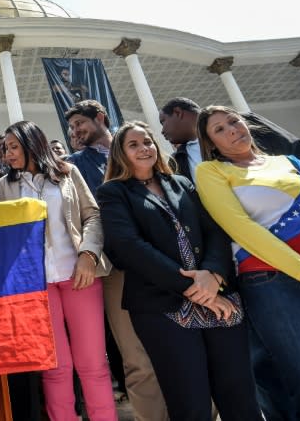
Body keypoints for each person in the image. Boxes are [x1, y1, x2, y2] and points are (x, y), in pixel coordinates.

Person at [97, 121, 261, 420]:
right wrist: (194, 289)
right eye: (133, 145)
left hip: (218, 296)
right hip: (163, 307)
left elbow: (214, 231)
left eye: (147, 141)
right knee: (189, 400)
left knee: (240, 395)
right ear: (120, 154)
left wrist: (212, 275)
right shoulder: (113, 192)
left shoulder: (182, 183)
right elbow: (128, 247)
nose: (144, 148)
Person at [195, 105, 300, 419]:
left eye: (233, 121)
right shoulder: (211, 172)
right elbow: (241, 228)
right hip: (276, 285)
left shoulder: (288, 162)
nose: (231, 130)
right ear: (210, 143)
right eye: (219, 129)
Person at [0, 120, 115, 421]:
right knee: (56, 368)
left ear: (31, 143)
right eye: (5, 149)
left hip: (80, 277)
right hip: (38, 286)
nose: (7, 154)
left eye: (13, 147)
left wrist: (89, 254)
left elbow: (92, 215)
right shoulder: (4, 185)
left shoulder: (67, 172)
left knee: (93, 366)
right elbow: (5, 236)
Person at [64, 100, 168, 421]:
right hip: (116, 268)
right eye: (71, 128)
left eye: (80, 123)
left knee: (180, 347)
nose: (75, 132)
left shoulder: (149, 162)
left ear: (101, 118)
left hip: (165, 262)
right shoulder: (74, 164)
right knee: (136, 356)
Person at [159, 96, 300, 182]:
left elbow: (294, 148)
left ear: (178, 113)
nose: (162, 131)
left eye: (163, 121)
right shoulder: (178, 161)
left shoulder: (244, 123)